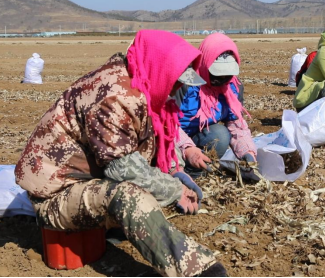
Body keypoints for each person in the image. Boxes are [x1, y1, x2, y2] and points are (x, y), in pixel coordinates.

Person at [15, 30, 227, 277]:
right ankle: (196, 269)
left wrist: (174, 171)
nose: (178, 87)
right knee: (130, 196)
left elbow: (153, 140)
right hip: (56, 196)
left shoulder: (139, 82)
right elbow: (122, 167)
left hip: (85, 180)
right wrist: (173, 189)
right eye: (176, 80)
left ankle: (115, 228)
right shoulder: (115, 96)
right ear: (159, 68)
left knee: (148, 184)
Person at [174, 33, 257, 177]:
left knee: (220, 135)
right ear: (205, 63)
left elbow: (235, 122)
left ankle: (194, 172)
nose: (222, 80)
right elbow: (165, 124)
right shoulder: (184, 82)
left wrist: (247, 151)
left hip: (197, 137)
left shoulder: (233, 88)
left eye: (227, 75)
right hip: (170, 138)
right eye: (216, 74)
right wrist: (187, 149)